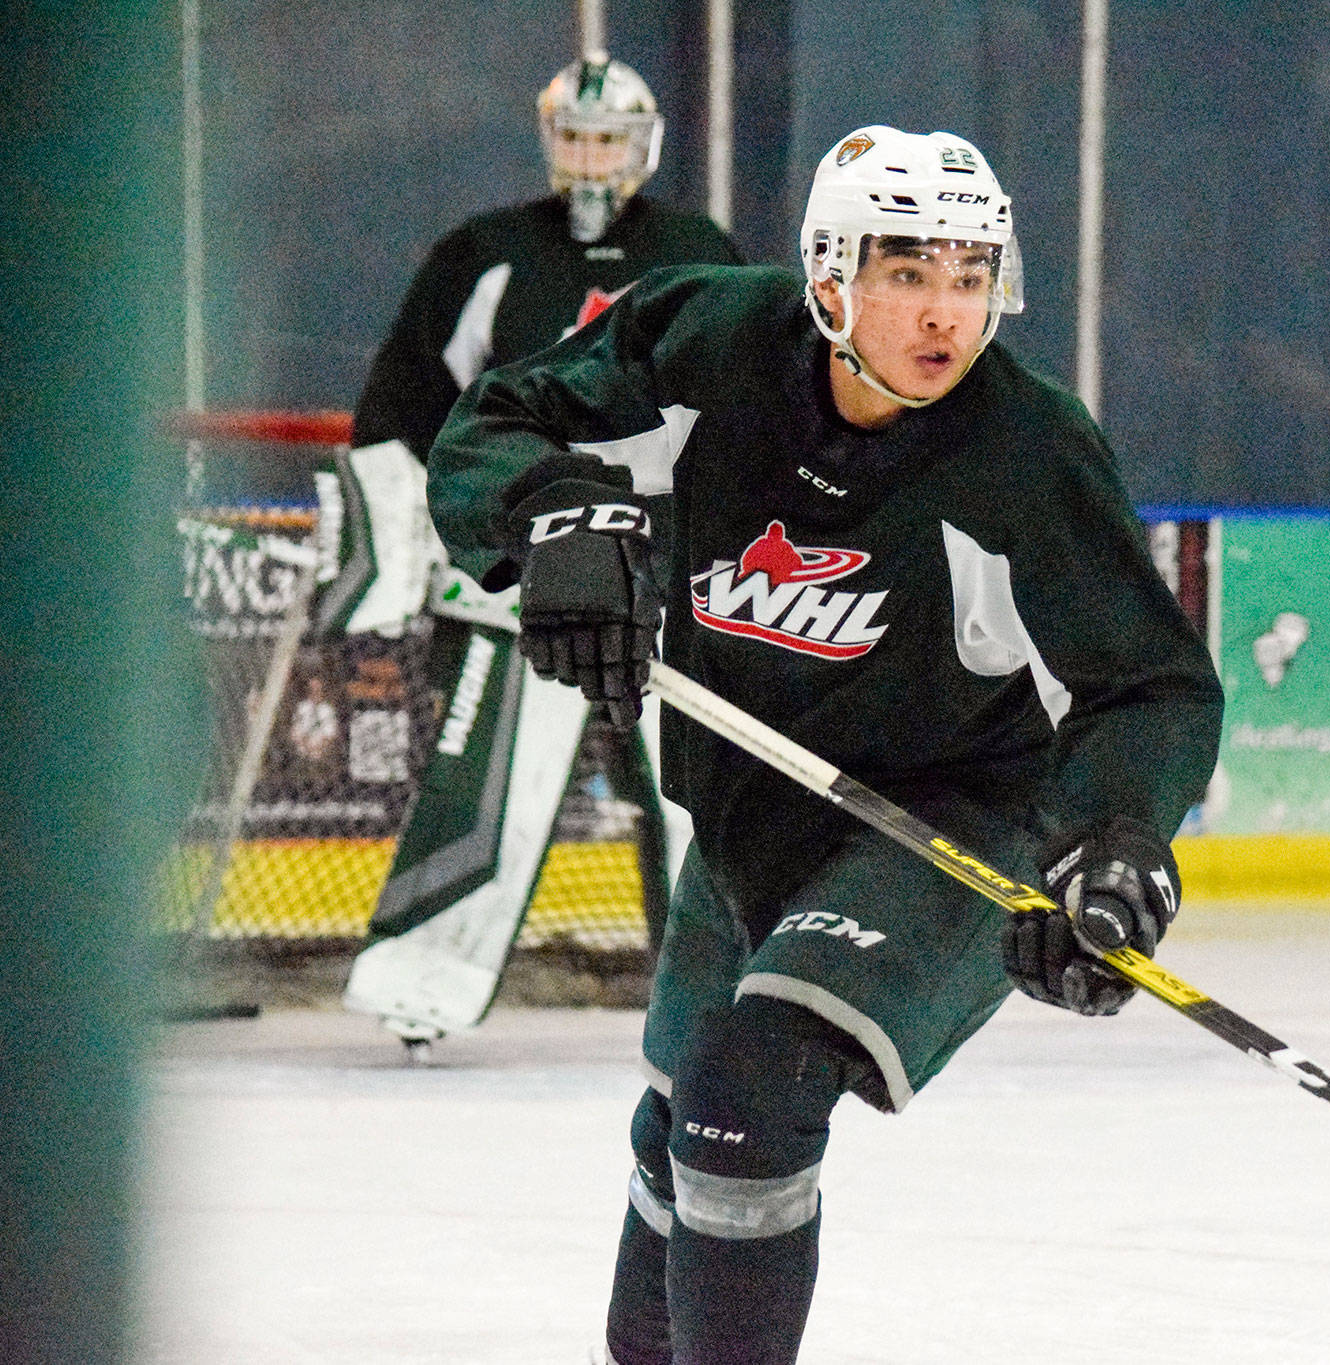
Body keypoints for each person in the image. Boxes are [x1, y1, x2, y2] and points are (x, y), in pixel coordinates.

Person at [426, 125, 1223, 1363]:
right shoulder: (710, 337)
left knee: (751, 1093)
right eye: (908, 272)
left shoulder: (1024, 447)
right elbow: (499, 417)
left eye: (970, 275)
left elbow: (1149, 688)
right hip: (746, 823)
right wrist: (554, 520)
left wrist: (1109, 847)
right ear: (828, 273)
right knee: (680, 1124)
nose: (944, 314)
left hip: (949, 825)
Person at [334, 53, 740, 1045]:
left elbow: (749, 408)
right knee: (488, 774)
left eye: (610, 138)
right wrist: (402, 544)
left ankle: (737, 976)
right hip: (533, 543)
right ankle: (419, 982)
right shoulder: (484, 253)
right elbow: (400, 408)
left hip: (671, 552)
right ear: (548, 139)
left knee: (708, 785)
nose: (592, 159)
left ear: (645, 144)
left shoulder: (700, 252)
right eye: (576, 136)